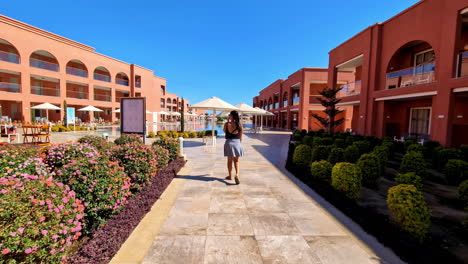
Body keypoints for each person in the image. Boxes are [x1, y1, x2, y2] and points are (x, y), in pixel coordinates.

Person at [223, 110, 244, 184]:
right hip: (237, 143)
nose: (229, 116)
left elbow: (224, 131)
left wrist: (228, 122)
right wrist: (239, 145)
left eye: (229, 115)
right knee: (236, 161)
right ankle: (237, 175)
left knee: (229, 161)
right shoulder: (240, 125)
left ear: (231, 116)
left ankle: (230, 175)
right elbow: (241, 137)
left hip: (229, 143)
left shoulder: (226, 124)